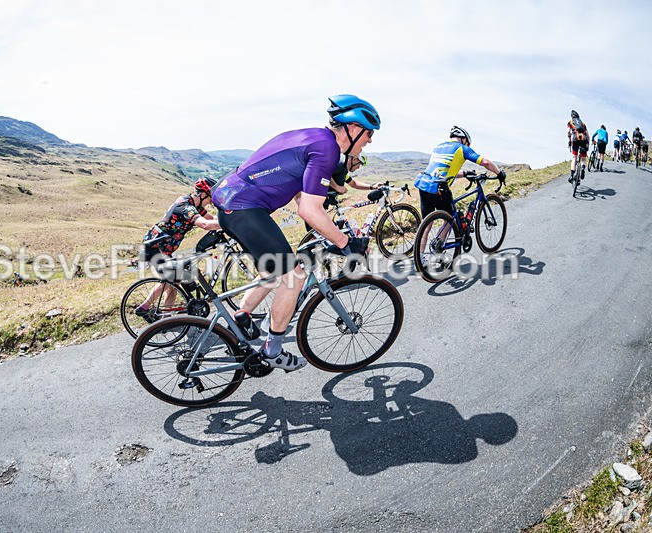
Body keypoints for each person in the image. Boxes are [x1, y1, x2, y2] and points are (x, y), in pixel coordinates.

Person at [211, 94, 376, 371]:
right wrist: (346, 243)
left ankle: (243, 313)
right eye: (369, 134)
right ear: (354, 128)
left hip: (231, 201)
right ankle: (273, 351)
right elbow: (309, 211)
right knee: (294, 274)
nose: (370, 140)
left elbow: (302, 195)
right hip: (243, 207)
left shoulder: (312, 137)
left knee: (275, 269)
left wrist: (327, 233)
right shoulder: (328, 150)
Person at [134, 178, 222, 321]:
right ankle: (147, 309)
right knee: (169, 281)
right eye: (210, 199)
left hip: (162, 249)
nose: (210, 203)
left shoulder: (194, 205)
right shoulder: (186, 207)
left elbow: (212, 218)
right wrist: (228, 225)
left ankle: (166, 318)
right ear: (203, 195)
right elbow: (205, 224)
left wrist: (229, 219)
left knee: (173, 282)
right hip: (154, 249)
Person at [414, 126, 505, 218]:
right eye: (467, 144)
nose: (467, 146)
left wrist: (465, 173)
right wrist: (499, 173)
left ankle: (421, 233)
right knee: (450, 219)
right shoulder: (462, 148)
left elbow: (446, 172)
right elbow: (485, 162)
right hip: (439, 188)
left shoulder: (439, 146)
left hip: (424, 184)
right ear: (464, 139)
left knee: (427, 222)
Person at [567, 110, 589, 182]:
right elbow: (587, 135)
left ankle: (572, 175)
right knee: (583, 158)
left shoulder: (570, 122)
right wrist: (587, 143)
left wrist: (570, 140)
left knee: (574, 157)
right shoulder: (582, 124)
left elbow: (568, 132)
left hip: (575, 139)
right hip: (583, 139)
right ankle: (582, 168)